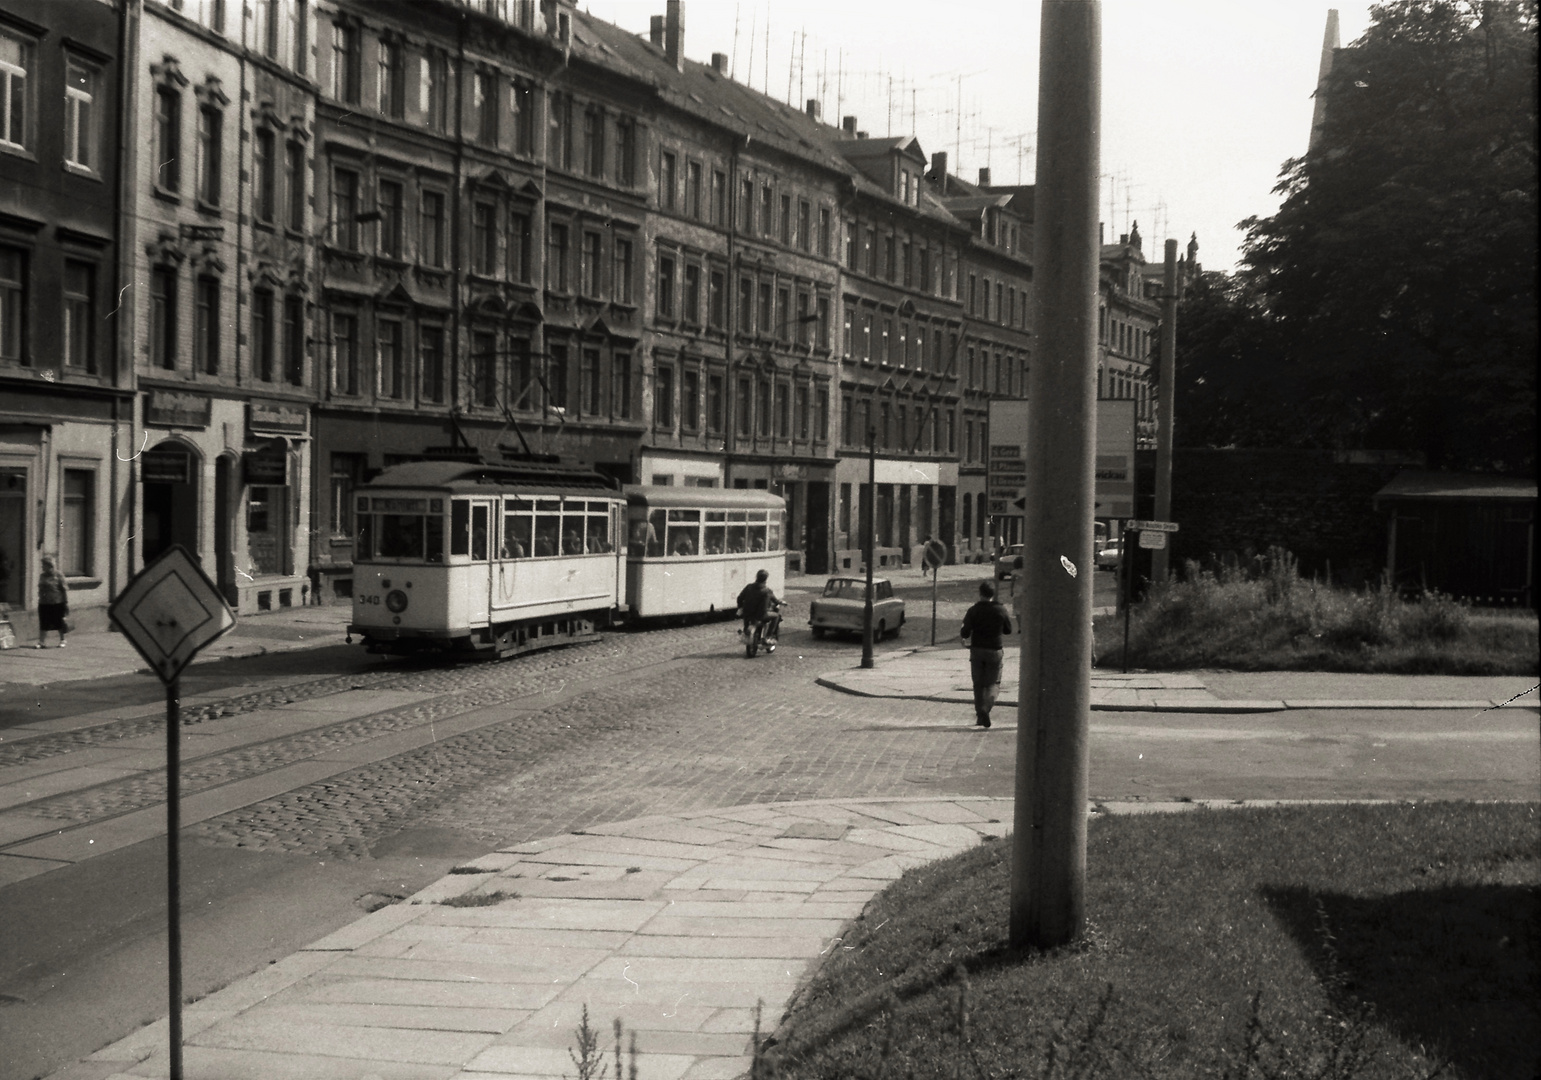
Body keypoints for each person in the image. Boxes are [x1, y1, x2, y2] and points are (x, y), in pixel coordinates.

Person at [960, 580, 1011, 728]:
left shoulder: (973, 610)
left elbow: (965, 631)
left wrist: (964, 638)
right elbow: (1008, 630)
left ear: (980, 593)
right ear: (993, 594)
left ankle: (979, 716)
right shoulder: (1000, 609)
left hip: (977, 650)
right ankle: (986, 708)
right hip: (995, 650)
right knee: (993, 683)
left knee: (978, 685)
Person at [735, 569, 782, 647]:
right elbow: (775, 601)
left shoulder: (749, 587)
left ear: (756, 577)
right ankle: (768, 637)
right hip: (761, 615)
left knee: (747, 621)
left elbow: (739, 598)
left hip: (747, 613)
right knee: (776, 616)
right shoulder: (767, 591)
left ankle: (745, 632)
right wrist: (780, 602)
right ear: (766, 579)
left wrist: (740, 607)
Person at [36, 555, 68, 648]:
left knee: (58, 622)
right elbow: (40, 588)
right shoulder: (42, 576)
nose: (42, 567)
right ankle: (42, 642)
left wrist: (65, 603)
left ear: (50, 566)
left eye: (44, 565)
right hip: (43, 602)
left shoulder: (58, 575)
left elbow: (64, 589)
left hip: (57, 602)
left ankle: (62, 639)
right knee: (43, 622)